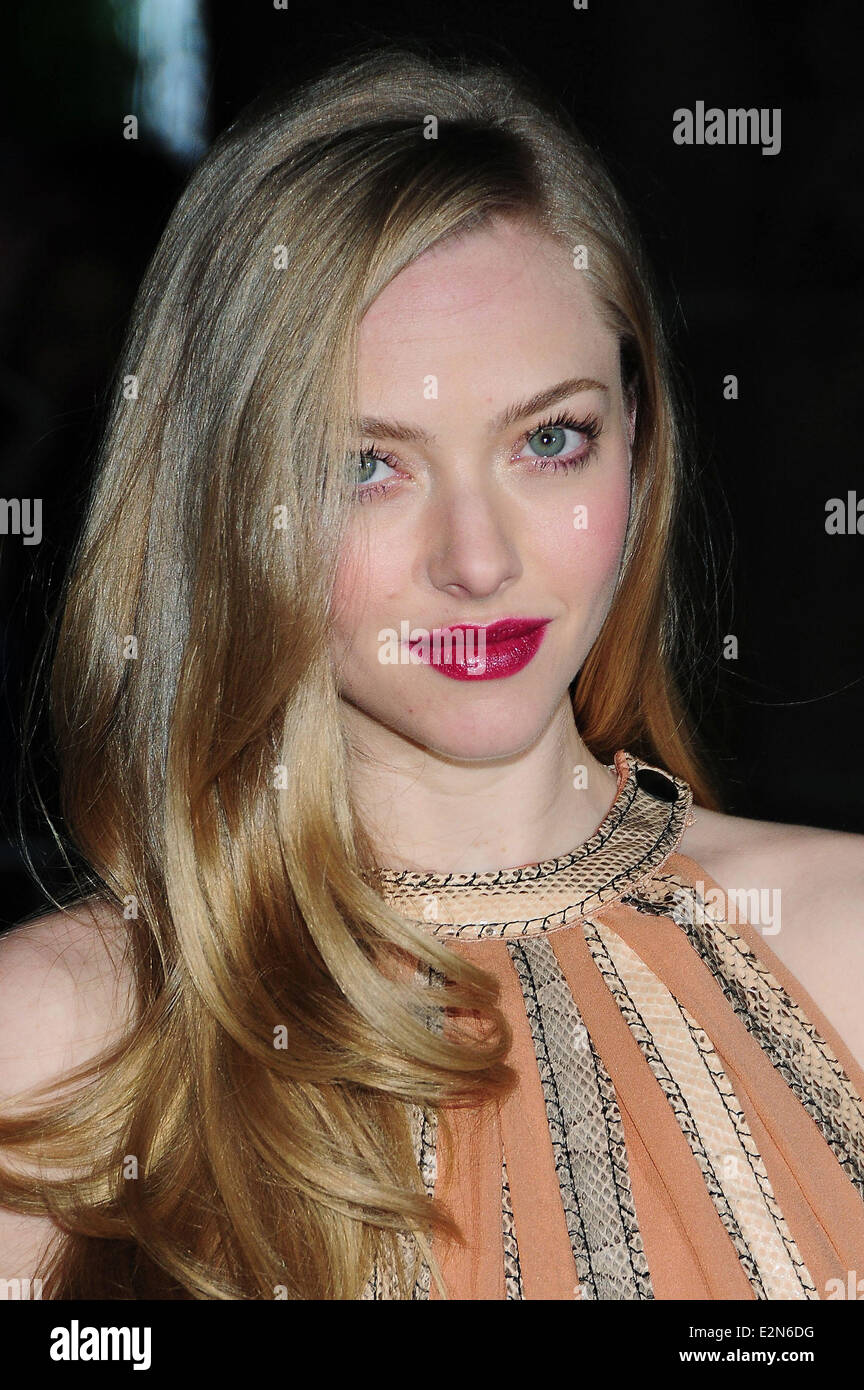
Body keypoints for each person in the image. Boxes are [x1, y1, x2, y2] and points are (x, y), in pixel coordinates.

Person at [1, 43, 862, 1301]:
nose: (477, 561)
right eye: (369, 464)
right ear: (229, 501)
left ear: (641, 438)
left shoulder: (848, 945)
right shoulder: (50, 1048)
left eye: (550, 440)